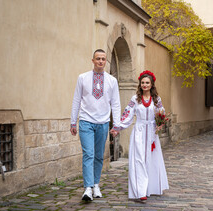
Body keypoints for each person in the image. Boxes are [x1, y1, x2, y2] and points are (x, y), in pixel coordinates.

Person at [111, 70, 169, 202]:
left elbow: (162, 113)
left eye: (147, 82)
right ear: (140, 84)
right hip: (139, 132)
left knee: (151, 159)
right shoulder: (135, 99)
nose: (144, 85)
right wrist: (117, 127)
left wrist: (160, 123)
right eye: (142, 82)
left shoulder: (156, 99)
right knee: (139, 160)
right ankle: (140, 191)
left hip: (152, 134)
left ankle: (151, 188)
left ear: (152, 84)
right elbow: (127, 115)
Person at [71, 49, 121, 201]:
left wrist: (116, 125)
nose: (100, 61)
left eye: (103, 59)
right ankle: (87, 188)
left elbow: (116, 104)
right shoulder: (83, 78)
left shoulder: (112, 81)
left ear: (106, 61)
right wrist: (73, 121)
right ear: (92, 60)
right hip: (86, 121)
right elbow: (76, 100)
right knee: (88, 154)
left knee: (99, 156)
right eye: (98, 58)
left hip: (103, 123)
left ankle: (96, 185)